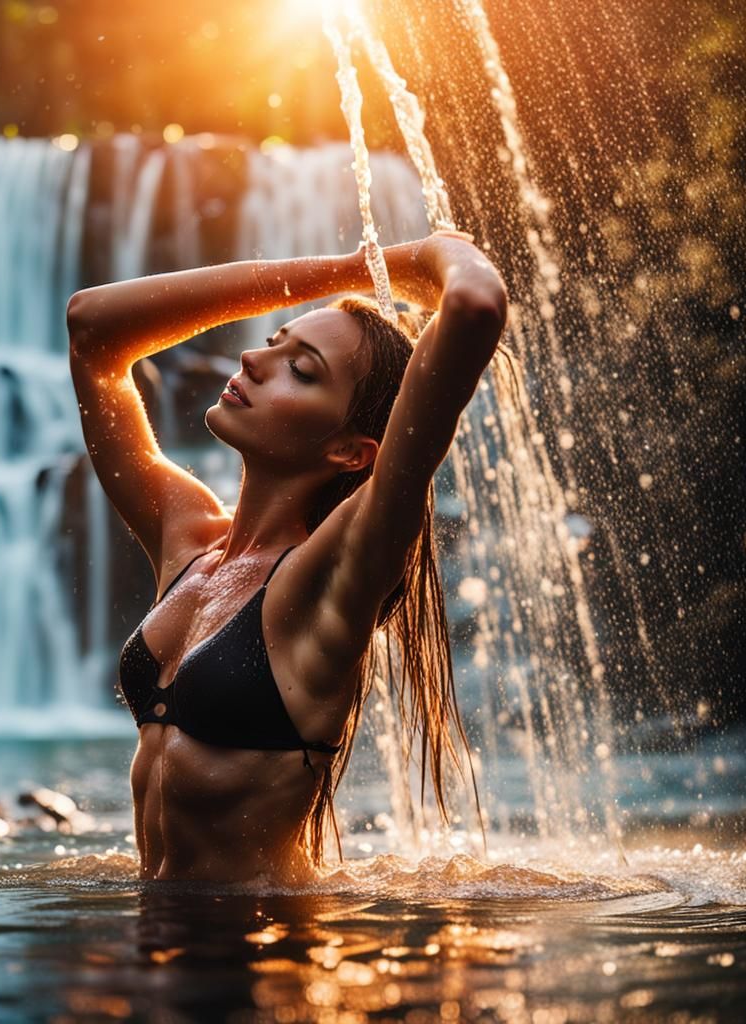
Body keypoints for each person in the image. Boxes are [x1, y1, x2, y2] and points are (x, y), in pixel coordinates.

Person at [66, 231, 507, 885]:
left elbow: (472, 307)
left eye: (302, 371)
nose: (250, 359)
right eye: (274, 344)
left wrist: (437, 251)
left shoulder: (334, 575)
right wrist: (349, 270)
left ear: (351, 453)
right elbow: (91, 328)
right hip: (158, 949)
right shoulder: (188, 540)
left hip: (262, 963)